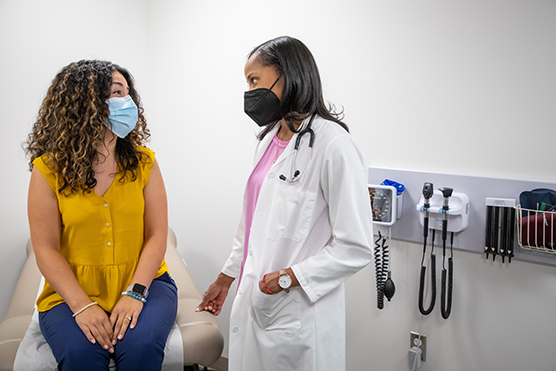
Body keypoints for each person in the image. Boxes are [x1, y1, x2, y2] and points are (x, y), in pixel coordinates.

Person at [196, 36, 374, 371]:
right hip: (259, 296)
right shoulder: (267, 141)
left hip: (297, 310)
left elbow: (356, 245)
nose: (249, 92)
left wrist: (289, 277)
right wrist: (226, 277)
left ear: (288, 76)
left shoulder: (333, 145)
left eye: (254, 80)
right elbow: (252, 222)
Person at [25, 60, 177, 371]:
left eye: (127, 94)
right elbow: (46, 249)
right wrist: (82, 306)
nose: (128, 103)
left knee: (142, 348)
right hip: (70, 291)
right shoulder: (47, 170)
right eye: (117, 94)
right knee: (82, 356)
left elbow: (157, 234)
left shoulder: (144, 162)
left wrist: (136, 293)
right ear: (85, 103)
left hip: (145, 282)